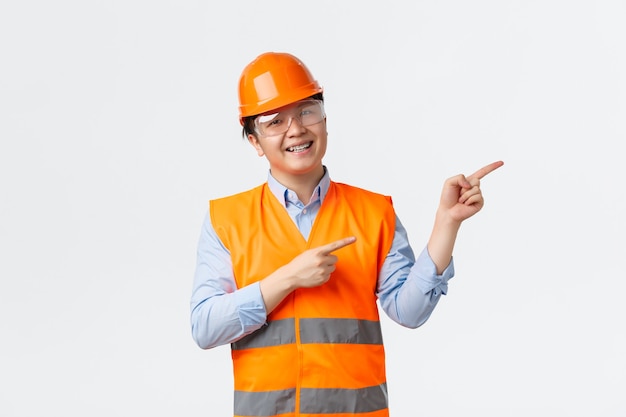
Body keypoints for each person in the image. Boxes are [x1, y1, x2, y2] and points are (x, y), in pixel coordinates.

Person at [190, 51, 503, 417]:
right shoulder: (226, 219)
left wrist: (446, 223)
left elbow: (409, 311)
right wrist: (287, 279)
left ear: (325, 120)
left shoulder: (373, 212)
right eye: (275, 121)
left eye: (307, 111)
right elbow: (205, 328)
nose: (296, 129)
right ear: (255, 141)